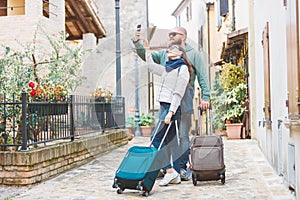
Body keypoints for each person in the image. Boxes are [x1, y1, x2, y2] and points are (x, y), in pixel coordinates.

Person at [132, 27, 210, 180]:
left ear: (184, 36)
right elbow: (147, 57)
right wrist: (137, 44)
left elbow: (202, 77)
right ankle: (168, 168)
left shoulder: (193, 54)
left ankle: (180, 167)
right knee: (165, 137)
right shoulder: (164, 54)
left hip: (185, 102)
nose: (171, 36)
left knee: (182, 135)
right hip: (165, 103)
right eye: (170, 34)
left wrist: (205, 97)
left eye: (174, 34)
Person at [141, 39, 192, 186]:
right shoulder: (168, 67)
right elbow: (150, 67)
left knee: (155, 139)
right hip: (164, 106)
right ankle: (174, 173)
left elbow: (178, 93)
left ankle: (169, 171)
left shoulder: (182, 70)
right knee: (171, 142)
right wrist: (147, 50)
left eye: (171, 49)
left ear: (180, 53)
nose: (168, 50)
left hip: (171, 108)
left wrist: (170, 112)